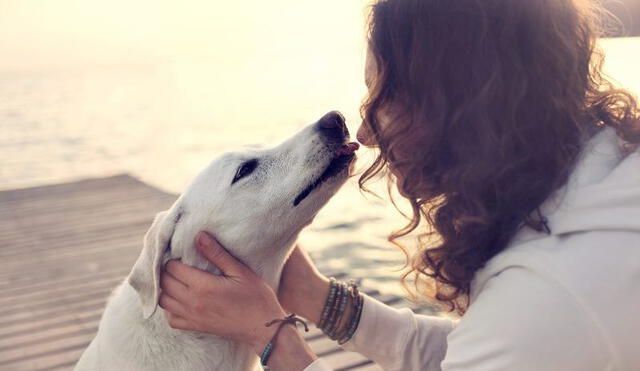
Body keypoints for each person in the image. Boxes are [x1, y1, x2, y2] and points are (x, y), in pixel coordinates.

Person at [158, 0, 640, 370]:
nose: (364, 133)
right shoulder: (604, 179)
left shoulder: (554, 290)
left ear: (458, 105)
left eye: (381, 97)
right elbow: (472, 350)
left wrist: (271, 338)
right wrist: (314, 297)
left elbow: (516, 335)